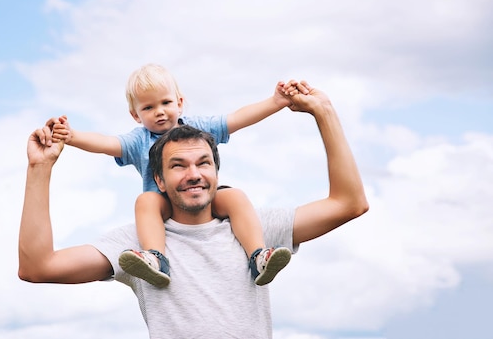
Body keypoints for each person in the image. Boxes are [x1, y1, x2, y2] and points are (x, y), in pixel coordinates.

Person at [18, 80, 369, 338]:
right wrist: (40, 168)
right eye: (178, 166)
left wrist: (323, 111)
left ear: (217, 172)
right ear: (158, 179)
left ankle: (256, 257)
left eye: (203, 163)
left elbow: (349, 204)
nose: (194, 174)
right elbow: (38, 267)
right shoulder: (136, 244)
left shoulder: (250, 225)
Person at [47, 64, 301, 287]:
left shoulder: (197, 127)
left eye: (166, 103)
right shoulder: (139, 141)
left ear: (179, 102)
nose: (159, 111)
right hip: (165, 208)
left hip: (201, 200)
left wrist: (275, 102)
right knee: (146, 200)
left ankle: (258, 256)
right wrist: (72, 136)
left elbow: (236, 118)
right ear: (136, 115)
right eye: (148, 107)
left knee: (234, 196)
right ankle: (156, 260)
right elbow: (106, 142)